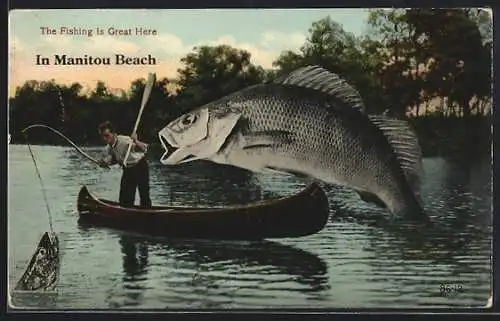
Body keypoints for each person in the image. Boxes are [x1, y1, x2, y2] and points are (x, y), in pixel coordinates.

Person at [97, 121, 152, 208]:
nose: (105, 139)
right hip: (128, 169)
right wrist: (104, 163)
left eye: (107, 135)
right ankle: (126, 212)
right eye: (103, 136)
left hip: (140, 166)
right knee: (125, 198)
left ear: (114, 134)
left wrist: (136, 141)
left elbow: (144, 149)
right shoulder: (109, 147)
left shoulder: (124, 141)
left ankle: (147, 213)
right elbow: (115, 160)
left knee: (144, 195)